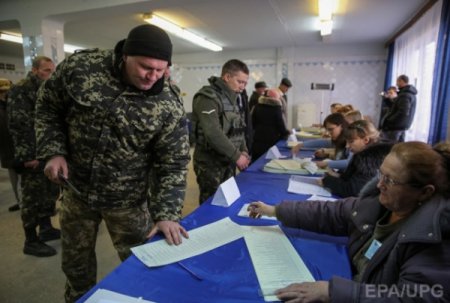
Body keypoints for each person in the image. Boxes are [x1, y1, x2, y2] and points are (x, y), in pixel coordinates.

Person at [34, 24, 190, 303]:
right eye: (145, 67)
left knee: (142, 264)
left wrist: (167, 213)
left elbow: (173, 162)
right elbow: (47, 107)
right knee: (76, 267)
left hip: (128, 200)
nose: (152, 76)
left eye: (160, 70)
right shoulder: (81, 69)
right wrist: (53, 151)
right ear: (125, 55)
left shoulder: (168, 102)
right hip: (76, 191)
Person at [249, 141, 450, 302]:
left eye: (390, 180)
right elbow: (330, 212)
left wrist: (333, 292)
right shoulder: (379, 204)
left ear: (425, 192)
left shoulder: (434, 240)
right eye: (381, 174)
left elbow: (412, 297)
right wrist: (274, 210)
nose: (379, 184)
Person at [7, 56, 61, 258]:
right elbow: (18, 126)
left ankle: (46, 229)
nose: (50, 74)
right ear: (35, 70)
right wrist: (28, 156)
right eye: (47, 70)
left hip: (45, 152)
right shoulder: (21, 90)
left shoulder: (46, 89)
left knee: (48, 193)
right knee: (31, 198)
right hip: (31, 155)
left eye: (52, 70)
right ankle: (30, 240)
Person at [192, 59, 250, 204]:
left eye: (245, 83)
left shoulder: (233, 98)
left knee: (226, 201)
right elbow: (212, 132)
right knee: (211, 202)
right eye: (240, 81)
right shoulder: (208, 97)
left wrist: (243, 151)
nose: (242, 87)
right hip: (210, 163)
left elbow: (239, 127)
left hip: (228, 160)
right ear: (227, 77)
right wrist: (237, 156)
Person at [320, 120, 393, 197]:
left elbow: (353, 190)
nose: (347, 146)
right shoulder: (363, 155)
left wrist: (327, 181)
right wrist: (336, 175)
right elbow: (352, 179)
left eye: (351, 142)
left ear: (366, 140)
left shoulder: (368, 159)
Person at [0, 78, 22, 212]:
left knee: (23, 179)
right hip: (6, 147)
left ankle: (25, 203)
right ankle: (20, 201)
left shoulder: (14, 104)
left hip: (18, 146)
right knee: (14, 179)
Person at [251, 88, 290, 162]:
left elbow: (252, 123)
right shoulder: (276, 108)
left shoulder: (257, 106)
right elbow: (280, 124)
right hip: (271, 140)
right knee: (268, 161)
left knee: (255, 161)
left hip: (257, 139)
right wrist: (285, 133)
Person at [380, 75, 417, 142]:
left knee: (389, 147)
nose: (396, 84)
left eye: (397, 81)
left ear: (401, 81)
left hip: (395, 126)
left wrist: (390, 120)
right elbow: (395, 107)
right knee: (398, 148)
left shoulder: (405, 95)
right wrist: (387, 99)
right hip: (401, 126)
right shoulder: (409, 94)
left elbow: (403, 111)